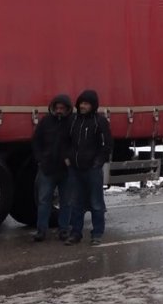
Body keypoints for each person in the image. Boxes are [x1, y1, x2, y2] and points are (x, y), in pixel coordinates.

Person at [64, 89, 113, 246]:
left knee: (96, 202)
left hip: (92, 169)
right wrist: (67, 158)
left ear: (93, 105)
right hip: (75, 169)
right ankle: (75, 233)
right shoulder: (73, 121)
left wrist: (98, 163)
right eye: (81, 103)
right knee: (75, 202)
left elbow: (107, 146)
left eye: (86, 104)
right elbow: (66, 141)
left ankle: (97, 233)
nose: (83, 106)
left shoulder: (100, 122)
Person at [31, 94, 73, 241]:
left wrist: (71, 159)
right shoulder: (46, 121)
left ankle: (64, 230)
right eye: (57, 108)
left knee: (66, 201)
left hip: (66, 170)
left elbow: (78, 144)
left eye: (62, 108)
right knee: (43, 200)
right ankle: (41, 230)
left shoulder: (73, 122)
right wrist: (40, 159)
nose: (59, 110)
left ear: (68, 109)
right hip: (47, 168)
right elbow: (36, 141)